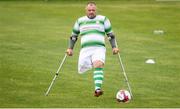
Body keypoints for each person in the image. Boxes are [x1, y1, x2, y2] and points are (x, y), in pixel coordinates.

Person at [66, 1, 119, 97]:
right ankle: (93, 68)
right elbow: (74, 36)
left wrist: (114, 47)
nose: (91, 12)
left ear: (96, 10)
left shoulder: (103, 19)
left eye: (93, 10)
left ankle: (97, 89)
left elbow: (110, 35)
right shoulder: (80, 21)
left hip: (99, 48)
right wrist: (70, 48)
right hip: (85, 50)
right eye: (89, 10)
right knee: (83, 67)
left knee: (98, 64)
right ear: (86, 10)